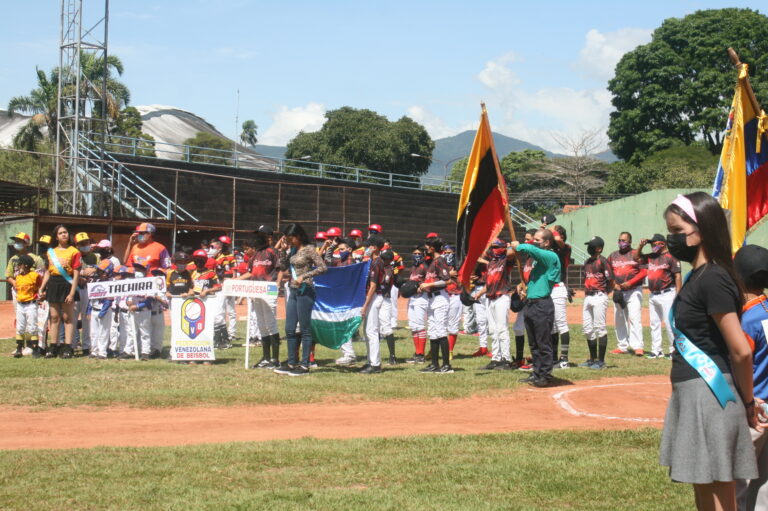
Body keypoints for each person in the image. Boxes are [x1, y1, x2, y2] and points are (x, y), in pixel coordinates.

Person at [659, 192, 758, 510]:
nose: (672, 239)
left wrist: (748, 402)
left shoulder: (713, 278)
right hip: (694, 392)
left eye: (677, 231)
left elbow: (740, 350)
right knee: (703, 485)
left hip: (711, 393)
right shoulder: (697, 277)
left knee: (718, 490)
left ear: (702, 229)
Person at [733, 245, 768, 511]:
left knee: (738, 484)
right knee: (764, 484)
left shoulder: (747, 319)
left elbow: (741, 361)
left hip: (753, 409)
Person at [273, 223, 327, 377]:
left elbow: (323, 267)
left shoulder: (309, 249)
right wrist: (283, 251)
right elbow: (283, 267)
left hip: (306, 290)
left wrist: (305, 276)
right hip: (293, 290)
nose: (290, 241)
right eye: (288, 239)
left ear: (299, 236)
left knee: (305, 329)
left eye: (292, 238)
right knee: (289, 329)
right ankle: (291, 362)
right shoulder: (292, 250)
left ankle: (304, 365)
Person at [511, 229, 561, 387]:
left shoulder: (550, 256)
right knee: (533, 343)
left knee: (543, 342)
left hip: (542, 305)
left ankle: (545, 374)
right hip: (531, 304)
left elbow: (534, 250)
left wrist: (519, 246)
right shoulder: (538, 262)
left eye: (537, 240)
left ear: (547, 242)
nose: (534, 242)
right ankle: (537, 372)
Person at [239, 230, 282, 369]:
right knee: (261, 324)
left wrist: (278, 283)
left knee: (271, 323)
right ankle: (266, 358)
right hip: (256, 291)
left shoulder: (273, 251)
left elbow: (281, 269)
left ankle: (275, 359)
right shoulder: (255, 255)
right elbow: (251, 273)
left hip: (269, 290)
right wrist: (236, 280)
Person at [635, 234, 682, 359]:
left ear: (662, 243)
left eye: (654, 243)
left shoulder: (671, 257)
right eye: (651, 244)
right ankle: (656, 350)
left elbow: (677, 276)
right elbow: (636, 258)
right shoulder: (651, 257)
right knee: (654, 323)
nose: (652, 246)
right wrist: (641, 246)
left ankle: (673, 350)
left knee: (669, 323)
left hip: (668, 293)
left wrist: (679, 294)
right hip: (653, 294)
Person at [473, 238, 516, 370]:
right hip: (490, 297)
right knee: (492, 330)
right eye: (493, 247)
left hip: (501, 296)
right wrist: (479, 293)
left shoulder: (506, 261)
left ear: (503, 247)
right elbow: (489, 283)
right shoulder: (491, 263)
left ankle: (506, 359)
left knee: (502, 329)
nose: (494, 249)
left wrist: (508, 246)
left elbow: (511, 254)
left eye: (497, 247)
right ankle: (496, 358)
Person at [39, 225, 81, 359]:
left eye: (65, 232)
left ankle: (68, 347)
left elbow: (76, 275)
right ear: (56, 236)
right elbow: (48, 272)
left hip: (67, 284)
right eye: (60, 233)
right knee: (54, 317)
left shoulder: (74, 251)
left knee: (68, 318)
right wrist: (41, 288)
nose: (64, 235)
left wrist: (72, 293)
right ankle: (53, 346)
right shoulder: (51, 252)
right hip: (53, 284)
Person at [608, 232, 647, 356]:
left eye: (624, 240)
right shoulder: (613, 255)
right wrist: (614, 285)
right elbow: (608, 272)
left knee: (634, 317)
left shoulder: (636, 254)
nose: (621, 242)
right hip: (619, 290)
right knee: (619, 318)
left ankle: (638, 346)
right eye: (620, 240)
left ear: (630, 242)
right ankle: (622, 346)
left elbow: (644, 271)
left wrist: (631, 282)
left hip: (634, 290)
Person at [418, 237, 453, 374]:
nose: (426, 249)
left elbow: (448, 281)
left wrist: (430, 284)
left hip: (440, 299)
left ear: (432, 248)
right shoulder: (433, 261)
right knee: (433, 331)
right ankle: (434, 364)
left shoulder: (440, 260)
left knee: (441, 331)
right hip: (432, 299)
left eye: (427, 246)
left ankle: (447, 365)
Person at [360, 235, 395, 373]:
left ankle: (375, 364)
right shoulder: (373, 261)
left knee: (372, 331)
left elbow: (373, 286)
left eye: (369, 246)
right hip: (374, 296)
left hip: (375, 297)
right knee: (367, 330)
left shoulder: (376, 262)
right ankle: (370, 361)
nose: (366, 248)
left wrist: (365, 305)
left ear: (374, 248)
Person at [580, 236, 614, 370]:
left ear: (599, 249)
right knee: (587, 328)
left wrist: (605, 294)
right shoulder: (587, 262)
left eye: (592, 246)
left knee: (600, 328)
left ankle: (601, 361)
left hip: (599, 295)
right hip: (588, 296)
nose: (589, 248)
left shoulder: (603, 261)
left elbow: (611, 281)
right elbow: (585, 278)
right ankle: (592, 359)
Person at [11, 254, 42, 358]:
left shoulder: (34, 275)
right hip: (20, 304)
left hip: (31, 304)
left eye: (20, 264)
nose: (18, 266)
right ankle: (19, 348)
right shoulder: (18, 277)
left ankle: (35, 349)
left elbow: (41, 286)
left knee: (32, 327)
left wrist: (40, 295)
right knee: (20, 327)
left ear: (26, 265)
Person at [551, 225, 573, 368]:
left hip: (559, 287)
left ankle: (564, 359)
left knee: (561, 324)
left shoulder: (565, 247)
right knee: (552, 326)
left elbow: (558, 240)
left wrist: (550, 230)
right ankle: (553, 358)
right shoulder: (550, 248)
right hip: (548, 288)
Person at [212, 235, 237, 347]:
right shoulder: (216, 257)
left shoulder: (230, 256)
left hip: (229, 282)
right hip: (221, 283)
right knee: (220, 310)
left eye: (226, 244)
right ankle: (223, 334)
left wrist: (233, 283)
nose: (225, 246)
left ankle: (232, 333)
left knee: (231, 310)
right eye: (223, 244)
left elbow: (234, 271)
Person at [87, 260, 115, 360]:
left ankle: (102, 352)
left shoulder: (110, 283)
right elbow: (91, 297)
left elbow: (109, 300)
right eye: (98, 270)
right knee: (93, 332)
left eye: (101, 271)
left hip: (104, 310)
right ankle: (94, 351)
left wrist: (103, 312)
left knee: (103, 332)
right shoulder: (96, 281)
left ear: (107, 272)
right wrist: (89, 310)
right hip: (94, 309)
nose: (98, 272)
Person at [406, 244, 429, 364]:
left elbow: (429, 281)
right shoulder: (413, 267)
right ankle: (417, 353)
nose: (417, 255)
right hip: (412, 298)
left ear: (423, 255)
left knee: (420, 325)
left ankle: (421, 354)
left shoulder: (425, 267)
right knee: (413, 326)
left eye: (419, 254)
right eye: (415, 253)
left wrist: (423, 287)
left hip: (421, 298)